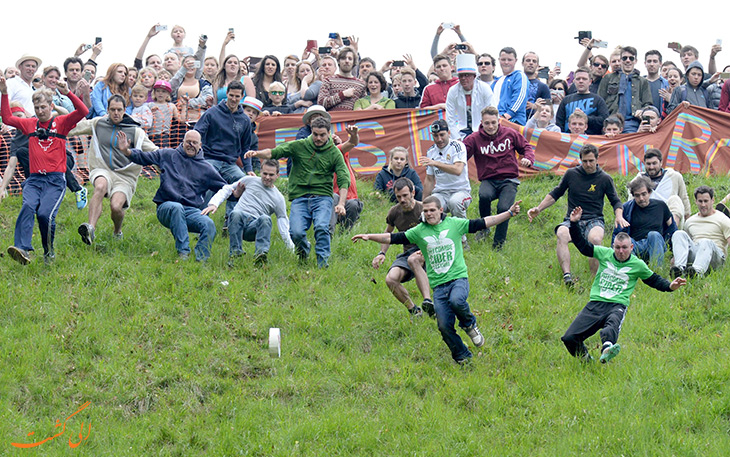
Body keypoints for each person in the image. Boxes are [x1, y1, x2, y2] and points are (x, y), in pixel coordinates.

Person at [352, 195, 521, 364]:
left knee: (457, 301)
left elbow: (484, 222)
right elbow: (394, 238)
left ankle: (469, 325)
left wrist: (509, 213)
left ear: (440, 210)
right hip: (439, 287)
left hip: (457, 279)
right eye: (426, 211)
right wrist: (369, 236)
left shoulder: (454, 224)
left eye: (432, 210)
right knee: (444, 326)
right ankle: (462, 356)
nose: (429, 213)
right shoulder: (419, 231)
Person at [561, 206, 686, 363]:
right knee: (569, 338)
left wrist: (670, 286)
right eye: (617, 247)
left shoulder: (637, 264)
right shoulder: (604, 253)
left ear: (631, 247)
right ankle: (588, 362)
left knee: (610, 326)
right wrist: (573, 223)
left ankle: (607, 349)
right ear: (613, 246)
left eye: (624, 248)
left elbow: (653, 279)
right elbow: (583, 246)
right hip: (595, 303)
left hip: (616, 305)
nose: (621, 251)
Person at [0, 77, 88, 264]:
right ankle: (23, 249)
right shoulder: (30, 124)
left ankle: (49, 251)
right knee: (27, 207)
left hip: (55, 181)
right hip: (34, 180)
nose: (40, 111)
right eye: (37, 108)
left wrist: (68, 93)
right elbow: (7, 118)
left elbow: (83, 111)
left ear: (50, 106)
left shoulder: (62, 123)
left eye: (43, 107)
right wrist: (5, 92)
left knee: (44, 216)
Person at [245, 117, 349, 268]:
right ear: (311, 132)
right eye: (315, 134)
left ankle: (322, 263)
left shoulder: (334, 153)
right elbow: (275, 152)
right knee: (296, 233)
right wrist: (256, 154)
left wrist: (341, 203)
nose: (318, 138)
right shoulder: (299, 146)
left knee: (321, 227)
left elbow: (343, 178)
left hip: (323, 197)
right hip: (300, 198)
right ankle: (303, 252)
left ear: (329, 134)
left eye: (322, 135)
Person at [116, 129, 226, 261]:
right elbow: (144, 157)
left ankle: (201, 260)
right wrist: (127, 151)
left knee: (208, 224)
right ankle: (184, 254)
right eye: (188, 142)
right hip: (166, 208)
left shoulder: (206, 168)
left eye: (194, 142)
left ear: (200, 145)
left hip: (191, 211)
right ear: (182, 142)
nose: (191, 145)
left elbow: (224, 188)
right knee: (176, 208)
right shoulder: (168, 155)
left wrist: (236, 191)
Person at [527, 144, 626, 286]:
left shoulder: (604, 178)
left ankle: (594, 281)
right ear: (580, 160)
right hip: (572, 220)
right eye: (585, 161)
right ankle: (567, 276)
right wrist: (539, 208)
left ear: (597, 159)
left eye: (591, 161)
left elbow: (615, 201)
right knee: (561, 233)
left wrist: (619, 216)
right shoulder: (571, 174)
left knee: (596, 239)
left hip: (594, 219)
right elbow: (556, 193)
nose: (588, 164)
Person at [69, 95, 157, 244]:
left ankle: (117, 231)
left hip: (125, 176)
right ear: (108, 110)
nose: (116, 113)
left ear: (125, 110)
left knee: (116, 207)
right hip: (102, 169)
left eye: (119, 110)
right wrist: (52, 129)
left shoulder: (135, 131)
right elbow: (73, 129)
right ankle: (90, 228)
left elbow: (153, 151)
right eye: (113, 110)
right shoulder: (98, 123)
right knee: (100, 186)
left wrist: (168, 165)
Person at [464, 106, 534, 249]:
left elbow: (526, 147)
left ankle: (498, 244)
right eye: (487, 123)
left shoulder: (510, 134)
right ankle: (485, 228)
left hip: (509, 179)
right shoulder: (474, 139)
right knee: (483, 195)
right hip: (488, 179)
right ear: (482, 123)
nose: (490, 126)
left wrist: (528, 158)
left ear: (499, 121)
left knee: (504, 208)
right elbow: (460, 154)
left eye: (493, 123)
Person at [203, 158, 295, 265]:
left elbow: (283, 221)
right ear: (260, 172)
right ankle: (235, 254)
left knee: (266, 218)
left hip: (254, 227)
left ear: (277, 175)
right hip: (237, 222)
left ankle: (260, 256)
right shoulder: (249, 180)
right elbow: (228, 188)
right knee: (236, 213)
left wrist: (291, 248)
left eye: (271, 175)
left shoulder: (278, 198)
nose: (267, 177)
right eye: (265, 173)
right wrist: (214, 203)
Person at [195, 80, 254, 228]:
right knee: (207, 181)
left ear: (242, 97)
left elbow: (245, 147)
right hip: (210, 158)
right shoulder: (212, 113)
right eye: (231, 95)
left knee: (242, 183)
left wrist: (249, 169)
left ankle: (231, 222)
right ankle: (200, 222)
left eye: (237, 96)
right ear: (226, 94)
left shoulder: (245, 120)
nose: (234, 99)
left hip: (230, 163)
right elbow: (197, 133)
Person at [370, 178, 433, 318]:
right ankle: (414, 310)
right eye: (399, 197)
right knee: (390, 279)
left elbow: (440, 230)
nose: (402, 199)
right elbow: (388, 233)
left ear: (413, 192)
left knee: (414, 259)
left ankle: (428, 302)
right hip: (409, 254)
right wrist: (382, 253)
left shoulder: (425, 209)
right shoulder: (394, 212)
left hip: (429, 250)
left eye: (405, 195)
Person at [420, 119, 472, 246]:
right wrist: (423, 203)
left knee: (455, 202)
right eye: (435, 136)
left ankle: (462, 240)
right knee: (430, 209)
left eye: (442, 135)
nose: (439, 139)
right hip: (440, 192)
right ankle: (436, 241)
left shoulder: (458, 146)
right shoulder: (431, 151)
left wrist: (435, 163)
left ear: (448, 133)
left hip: (461, 190)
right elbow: (429, 180)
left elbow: (458, 170)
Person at [613, 176, 676, 266]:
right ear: (633, 195)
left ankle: (656, 270)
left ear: (649, 192)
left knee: (653, 235)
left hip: (656, 243)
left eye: (644, 194)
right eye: (637, 195)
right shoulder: (627, 208)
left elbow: (672, 228)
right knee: (627, 240)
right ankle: (633, 268)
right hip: (636, 244)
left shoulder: (661, 206)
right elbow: (618, 232)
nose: (641, 198)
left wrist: (674, 253)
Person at [670, 186, 730, 279]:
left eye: (706, 201)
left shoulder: (722, 219)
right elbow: (685, 244)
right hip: (697, 255)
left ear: (712, 200)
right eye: (700, 201)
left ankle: (696, 273)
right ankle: (679, 269)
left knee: (705, 242)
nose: (703, 205)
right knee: (679, 233)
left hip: (716, 257)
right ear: (696, 201)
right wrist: (675, 257)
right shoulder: (690, 221)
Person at [598, 46, 653, 133]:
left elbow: (648, 104)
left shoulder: (643, 81)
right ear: (620, 60)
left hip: (632, 123)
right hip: (610, 123)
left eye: (631, 58)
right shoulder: (608, 78)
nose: (628, 60)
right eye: (624, 58)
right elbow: (600, 101)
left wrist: (642, 111)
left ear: (635, 61)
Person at [635, 148, 691, 229]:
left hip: (669, 216)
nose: (651, 167)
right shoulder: (638, 180)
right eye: (648, 164)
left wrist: (688, 220)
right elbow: (631, 203)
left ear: (661, 163)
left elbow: (683, 198)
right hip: (648, 217)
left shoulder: (674, 176)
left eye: (654, 163)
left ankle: (672, 231)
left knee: (675, 199)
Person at [445, 54, 495, 139]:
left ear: (474, 76)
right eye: (461, 76)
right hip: (461, 131)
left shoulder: (484, 88)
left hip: (482, 129)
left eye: (467, 75)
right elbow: (450, 118)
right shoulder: (453, 91)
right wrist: (457, 138)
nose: (464, 78)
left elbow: (492, 112)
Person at [556, 67, 609, 135]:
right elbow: (559, 122)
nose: (581, 81)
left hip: (590, 140)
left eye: (584, 79)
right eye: (578, 79)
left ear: (590, 81)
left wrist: (586, 118)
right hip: (568, 139)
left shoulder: (598, 100)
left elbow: (604, 120)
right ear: (574, 81)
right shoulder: (566, 100)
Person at [317, 47, 366, 111]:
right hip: (332, 120)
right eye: (343, 58)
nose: (347, 61)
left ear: (354, 62)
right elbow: (321, 103)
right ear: (338, 61)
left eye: (350, 58)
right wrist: (342, 95)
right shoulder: (328, 80)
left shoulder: (361, 84)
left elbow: (365, 107)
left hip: (352, 120)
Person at [491, 47, 528, 125]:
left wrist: (508, 115)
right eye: (503, 59)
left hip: (514, 122)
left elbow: (520, 97)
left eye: (509, 60)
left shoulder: (519, 76)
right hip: (496, 122)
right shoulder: (496, 81)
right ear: (499, 60)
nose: (506, 62)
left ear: (516, 61)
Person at [522, 52, 551, 119]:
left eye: (534, 61)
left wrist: (535, 107)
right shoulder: (514, 82)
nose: (531, 63)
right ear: (522, 63)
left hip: (533, 123)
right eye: (528, 60)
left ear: (537, 65)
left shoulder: (543, 87)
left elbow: (549, 107)